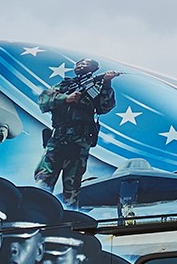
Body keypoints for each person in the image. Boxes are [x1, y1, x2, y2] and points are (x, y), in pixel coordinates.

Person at [36, 59, 118, 208]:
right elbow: (43, 100)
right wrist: (66, 98)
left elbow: (105, 107)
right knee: (44, 178)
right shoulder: (63, 86)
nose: (80, 65)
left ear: (94, 68)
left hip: (79, 141)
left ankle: (69, 214)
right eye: (78, 64)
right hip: (58, 139)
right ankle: (37, 208)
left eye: (85, 64)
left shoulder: (96, 87)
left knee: (72, 184)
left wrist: (107, 83)